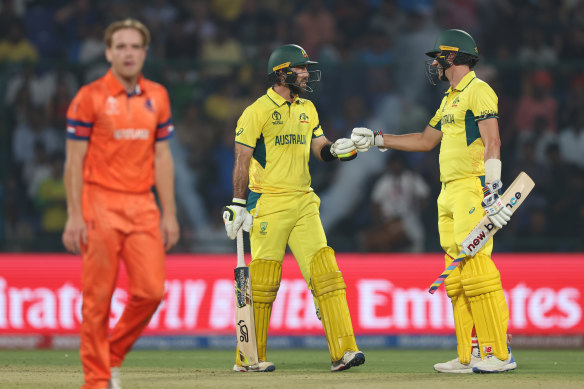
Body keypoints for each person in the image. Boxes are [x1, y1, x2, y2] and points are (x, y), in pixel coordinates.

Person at [351, 29, 516, 374]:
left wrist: (493, 190)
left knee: (478, 271)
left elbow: (493, 141)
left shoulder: (479, 90)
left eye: (439, 57)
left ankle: (498, 353)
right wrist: (378, 140)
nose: (435, 63)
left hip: (472, 187)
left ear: (453, 57)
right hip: (448, 191)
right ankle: (468, 356)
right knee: (457, 277)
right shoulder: (449, 98)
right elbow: (426, 141)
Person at [222, 44, 365, 373]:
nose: (306, 74)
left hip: (303, 201)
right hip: (269, 203)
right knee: (262, 283)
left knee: (326, 274)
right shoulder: (256, 112)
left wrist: (338, 150)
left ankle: (343, 352)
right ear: (282, 73)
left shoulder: (308, 109)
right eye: (300, 69)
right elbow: (241, 161)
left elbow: (319, 148)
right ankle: (249, 357)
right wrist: (238, 204)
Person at [62, 19, 179, 389]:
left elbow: (163, 158)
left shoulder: (158, 95)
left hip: (143, 205)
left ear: (144, 53)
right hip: (99, 203)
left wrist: (170, 214)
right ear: (108, 52)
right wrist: (74, 215)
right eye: (121, 46)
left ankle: (110, 357)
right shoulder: (89, 96)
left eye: (135, 47)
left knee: (150, 291)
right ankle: (97, 381)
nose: (128, 53)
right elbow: (73, 161)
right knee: (97, 299)